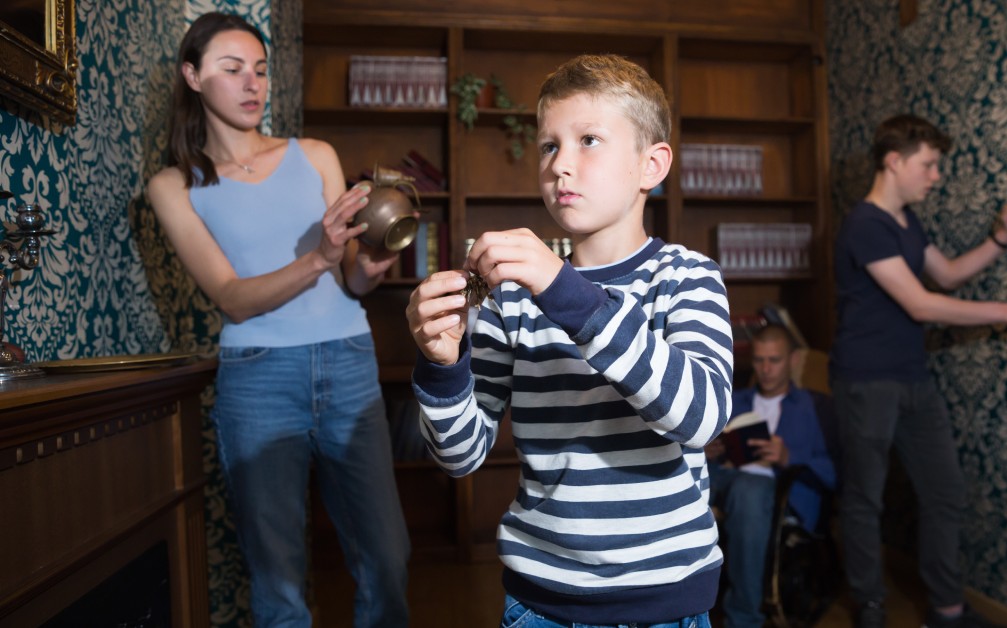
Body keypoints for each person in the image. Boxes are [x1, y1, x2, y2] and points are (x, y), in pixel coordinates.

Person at [405, 54, 733, 627]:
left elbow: (700, 417)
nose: (561, 165)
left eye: (589, 140)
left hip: (668, 598)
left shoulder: (686, 276)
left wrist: (564, 290)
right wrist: (442, 363)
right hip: (542, 601)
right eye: (549, 146)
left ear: (650, 166)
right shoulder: (510, 296)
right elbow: (460, 456)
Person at [146, 12, 410, 627]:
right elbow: (232, 297)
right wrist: (320, 253)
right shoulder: (175, 184)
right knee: (277, 576)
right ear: (192, 76)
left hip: (348, 363)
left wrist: (371, 264)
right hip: (258, 379)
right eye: (232, 69)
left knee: (388, 558)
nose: (252, 84)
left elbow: (350, 278)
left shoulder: (315, 153)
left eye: (260, 71)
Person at [831, 114, 1007, 628]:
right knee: (864, 499)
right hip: (866, 380)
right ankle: (870, 606)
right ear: (894, 162)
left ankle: (947, 609)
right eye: (929, 164)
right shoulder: (864, 225)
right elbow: (921, 304)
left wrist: (1003, 239)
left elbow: (949, 275)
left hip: (912, 376)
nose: (936, 176)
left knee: (945, 491)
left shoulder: (906, 223)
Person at [706, 324, 837, 628]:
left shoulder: (814, 407)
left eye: (774, 360)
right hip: (722, 477)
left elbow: (836, 473)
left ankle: (744, 620)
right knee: (671, 479)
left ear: (792, 361)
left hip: (777, 491)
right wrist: (706, 449)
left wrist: (789, 457)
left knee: (750, 489)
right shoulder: (733, 400)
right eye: (758, 360)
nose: (765, 369)